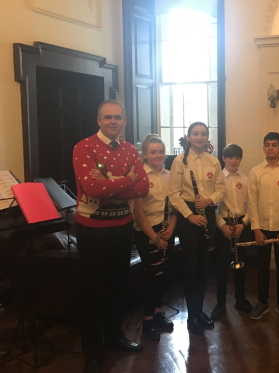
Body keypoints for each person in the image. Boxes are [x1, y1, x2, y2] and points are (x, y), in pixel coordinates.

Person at [73, 100, 149, 373]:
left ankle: (114, 337)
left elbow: (144, 187)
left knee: (119, 288)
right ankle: (92, 351)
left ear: (125, 121)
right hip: (92, 230)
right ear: (99, 120)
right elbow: (92, 187)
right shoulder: (84, 147)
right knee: (93, 293)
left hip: (122, 227)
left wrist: (110, 183)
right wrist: (127, 179)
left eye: (118, 117)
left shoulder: (130, 149)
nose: (113, 121)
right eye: (108, 117)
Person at [168, 122, 225, 335]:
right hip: (187, 216)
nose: (199, 137)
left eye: (203, 134)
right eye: (196, 134)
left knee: (204, 266)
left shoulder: (214, 161)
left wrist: (209, 200)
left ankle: (199, 311)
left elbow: (221, 190)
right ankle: (192, 315)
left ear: (207, 137)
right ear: (189, 136)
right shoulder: (179, 161)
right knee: (191, 266)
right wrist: (190, 214)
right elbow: (174, 194)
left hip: (207, 212)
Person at [248, 132, 279, 321]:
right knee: (262, 267)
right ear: (263, 148)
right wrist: (256, 229)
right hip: (262, 228)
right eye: (267, 144)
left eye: (274, 144)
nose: (270, 147)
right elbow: (252, 203)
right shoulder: (255, 172)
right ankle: (262, 302)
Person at [131, 135, 176, 341]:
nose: (158, 155)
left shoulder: (171, 176)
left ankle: (157, 314)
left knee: (163, 275)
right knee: (153, 276)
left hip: (167, 228)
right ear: (145, 154)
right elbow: (139, 215)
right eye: (153, 152)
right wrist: (155, 238)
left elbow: (175, 208)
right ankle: (148, 319)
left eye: (161, 151)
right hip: (146, 231)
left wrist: (171, 229)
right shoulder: (140, 177)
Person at [210, 143, 254, 320]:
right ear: (223, 158)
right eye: (230, 158)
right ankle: (220, 303)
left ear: (240, 159)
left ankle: (240, 299)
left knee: (240, 264)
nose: (233, 161)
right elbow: (212, 208)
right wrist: (222, 225)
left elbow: (251, 205)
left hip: (241, 224)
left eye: (236, 158)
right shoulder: (217, 178)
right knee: (221, 266)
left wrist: (243, 224)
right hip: (224, 225)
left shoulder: (246, 179)